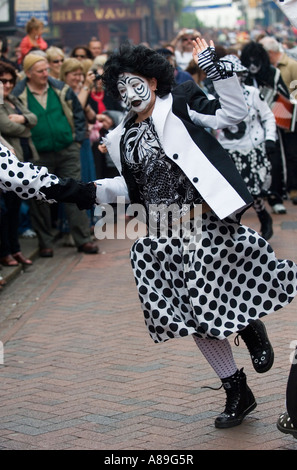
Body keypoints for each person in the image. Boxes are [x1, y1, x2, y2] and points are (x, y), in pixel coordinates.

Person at [92, 39, 297, 430]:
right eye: (119, 89)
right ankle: (237, 389)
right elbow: (128, 185)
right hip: (162, 236)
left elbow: (232, 113)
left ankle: (248, 323)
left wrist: (212, 65)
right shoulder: (120, 136)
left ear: (153, 80)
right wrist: (84, 190)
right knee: (191, 317)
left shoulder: (182, 102)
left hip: (204, 226)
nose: (127, 94)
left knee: (210, 307)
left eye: (133, 84)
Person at [12, 53, 99, 257]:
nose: (45, 74)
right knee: (39, 197)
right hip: (37, 153)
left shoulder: (60, 88)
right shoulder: (19, 94)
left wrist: (77, 140)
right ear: (28, 73)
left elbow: (78, 112)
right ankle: (45, 243)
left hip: (66, 149)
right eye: (40, 71)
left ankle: (83, 239)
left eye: (46, 70)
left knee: (75, 191)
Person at [216, 55, 277, 241]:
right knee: (231, 194)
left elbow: (267, 116)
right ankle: (231, 230)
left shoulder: (252, 93)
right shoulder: (214, 97)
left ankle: (264, 219)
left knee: (254, 192)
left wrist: (270, 139)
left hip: (251, 149)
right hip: (227, 152)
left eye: (237, 74)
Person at [240, 40, 289, 215]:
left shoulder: (273, 74)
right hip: (246, 129)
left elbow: (284, 100)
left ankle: (275, 197)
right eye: (250, 61)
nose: (253, 66)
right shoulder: (240, 76)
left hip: (270, 126)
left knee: (275, 162)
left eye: (257, 61)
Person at [0, 60, 40, 266]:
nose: (6, 85)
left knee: (15, 208)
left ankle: (15, 249)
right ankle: (6, 250)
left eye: (9, 81)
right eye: (2, 81)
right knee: (5, 210)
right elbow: (6, 126)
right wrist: (25, 124)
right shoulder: (0, 103)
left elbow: (34, 118)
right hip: (7, 166)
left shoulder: (14, 100)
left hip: (23, 159)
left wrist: (24, 121)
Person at [259, 35, 297, 205]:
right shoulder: (266, 69)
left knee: (291, 154)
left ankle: (293, 187)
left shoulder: (291, 66)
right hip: (274, 117)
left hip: (289, 117)